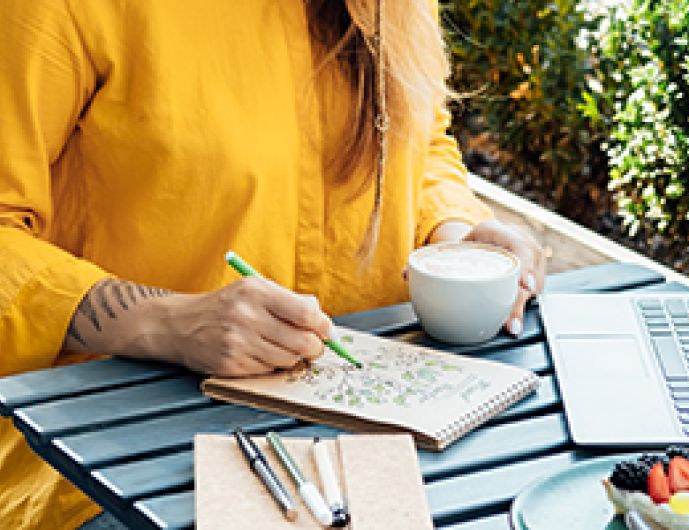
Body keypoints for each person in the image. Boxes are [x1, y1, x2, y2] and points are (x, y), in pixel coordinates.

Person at [0, 0, 546, 528]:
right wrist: (170, 322)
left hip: (386, 427)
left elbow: (421, 139)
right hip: (113, 451)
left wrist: (457, 239)